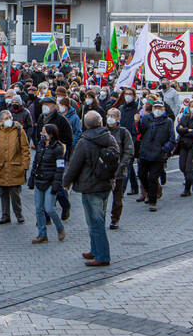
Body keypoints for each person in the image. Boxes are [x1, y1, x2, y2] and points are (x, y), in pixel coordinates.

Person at [62, 111, 118, 267]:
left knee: (95, 221)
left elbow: (74, 165)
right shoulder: (109, 138)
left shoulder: (84, 141)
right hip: (106, 183)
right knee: (98, 218)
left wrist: (66, 183)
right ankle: (95, 249)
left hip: (90, 185)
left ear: (85, 124)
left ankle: (102, 255)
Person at [0, 110, 31, 224]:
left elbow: (25, 149)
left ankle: (19, 214)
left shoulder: (19, 130)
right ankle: (5, 215)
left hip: (15, 167)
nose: (8, 120)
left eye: (10, 117)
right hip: (1, 167)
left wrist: (25, 165)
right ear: (1, 121)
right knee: (3, 193)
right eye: (6, 118)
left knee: (15, 194)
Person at [29, 124, 67, 243]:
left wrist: (57, 183)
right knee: (39, 209)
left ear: (51, 134)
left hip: (50, 181)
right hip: (39, 180)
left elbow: (60, 168)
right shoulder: (40, 145)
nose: (42, 134)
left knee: (49, 208)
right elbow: (36, 162)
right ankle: (42, 234)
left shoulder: (57, 148)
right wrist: (31, 177)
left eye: (44, 132)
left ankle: (60, 228)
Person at [134, 100, 174, 212]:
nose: (157, 110)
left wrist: (164, 149)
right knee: (141, 175)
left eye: (160, 108)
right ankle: (149, 191)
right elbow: (140, 132)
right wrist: (137, 122)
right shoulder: (147, 119)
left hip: (158, 155)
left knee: (153, 178)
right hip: (145, 152)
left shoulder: (168, 121)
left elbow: (172, 139)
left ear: (164, 109)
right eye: (155, 107)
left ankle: (152, 201)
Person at [106, 108, 135, 230]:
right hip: (104, 171)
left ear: (118, 118)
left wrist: (121, 165)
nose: (110, 118)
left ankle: (115, 219)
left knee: (117, 197)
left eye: (113, 116)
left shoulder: (123, 132)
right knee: (101, 196)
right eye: (108, 115)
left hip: (118, 171)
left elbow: (129, 151)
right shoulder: (102, 131)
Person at [175, 96, 193, 198]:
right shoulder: (185, 117)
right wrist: (187, 130)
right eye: (192, 106)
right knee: (182, 166)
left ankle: (187, 189)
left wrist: (185, 130)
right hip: (183, 144)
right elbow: (178, 128)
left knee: (188, 168)